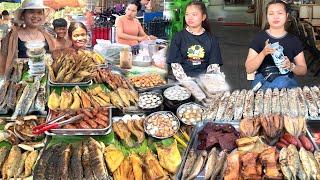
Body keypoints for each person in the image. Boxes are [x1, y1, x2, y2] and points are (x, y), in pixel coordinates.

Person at [245, 0, 307, 89]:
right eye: (271, 14)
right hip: (263, 82)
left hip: (287, 83)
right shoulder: (259, 38)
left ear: (287, 16)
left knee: (283, 82)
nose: (275, 17)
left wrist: (291, 66)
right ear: (267, 16)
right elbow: (249, 69)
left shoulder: (294, 40)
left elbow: (303, 70)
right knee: (281, 83)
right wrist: (263, 53)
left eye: (280, 13)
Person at [167, 1, 223, 79]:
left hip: (204, 81)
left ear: (203, 17)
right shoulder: (178, 37)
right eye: (187, 14)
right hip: (182, 81)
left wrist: (206, 83)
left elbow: (214, 65)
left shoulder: (212, 39)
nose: (190, 17)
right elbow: (175, 64)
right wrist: (186, 81)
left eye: (194, 14)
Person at [0, 0, 55, 76]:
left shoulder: (48, 36)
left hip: (44, 82)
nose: (36, 16)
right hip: (20, 83)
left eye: (39, 12)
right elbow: (2, 61)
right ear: (23, 15)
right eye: (31, 12)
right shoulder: (11, 37)